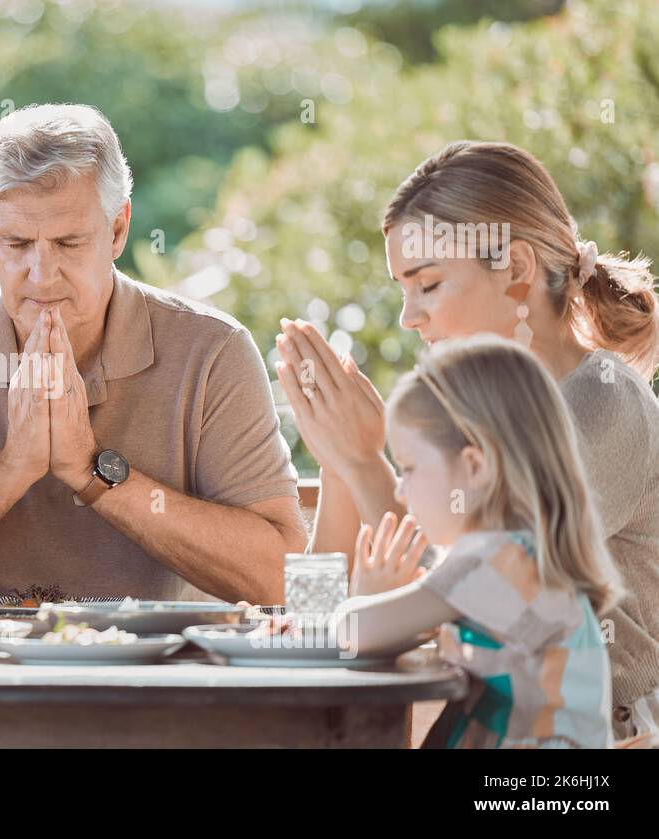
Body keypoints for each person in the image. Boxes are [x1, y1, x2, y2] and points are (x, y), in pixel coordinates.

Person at [0, 103, 305, 607]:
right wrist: (8, 472)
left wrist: (94, 473)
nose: (42, 275)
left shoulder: (212, 351)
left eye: (69, 242)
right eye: (17, 243)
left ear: (117, 230)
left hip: (151, 675)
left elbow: (281, 577)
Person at [275, 140, 659, 743]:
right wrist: (338, 463)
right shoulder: (474, 419)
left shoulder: (603, 404)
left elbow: (478, 584)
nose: (408, 316)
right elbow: (315, 617)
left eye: (427, 284)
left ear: (515, 270)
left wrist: (362, 462)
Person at [334, 336, 620, 748]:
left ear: (474, 466)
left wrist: (369, 595)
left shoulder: (490, 560)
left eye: (409, 468)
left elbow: (351, 631)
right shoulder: (523, 556)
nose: (400, 492)